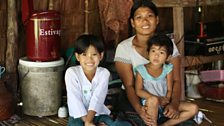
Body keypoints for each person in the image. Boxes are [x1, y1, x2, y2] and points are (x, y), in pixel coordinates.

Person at [114, 1, 198, 126]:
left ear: (157, 19)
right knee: (143, 120)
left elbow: (176, 80)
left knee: (187, 118)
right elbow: (129, 85)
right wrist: (139, 110)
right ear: (132, 22)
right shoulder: (124, 48)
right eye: (139, 17)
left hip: (164, 97)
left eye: (150, 16)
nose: (145, 21)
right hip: (135, 98)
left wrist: (174, 104)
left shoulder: (167, 44)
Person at [65, 34, 114, 126]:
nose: (89, 59)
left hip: (98, 113)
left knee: (115, 124)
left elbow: (98, 98)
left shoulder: (104, 73)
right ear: (77, 56)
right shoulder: (72, 73)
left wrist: (89, 121)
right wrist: (87, 121)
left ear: (101, 55)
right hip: (78, 115)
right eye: (84, 54)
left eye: (94, 54)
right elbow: (74, 100)